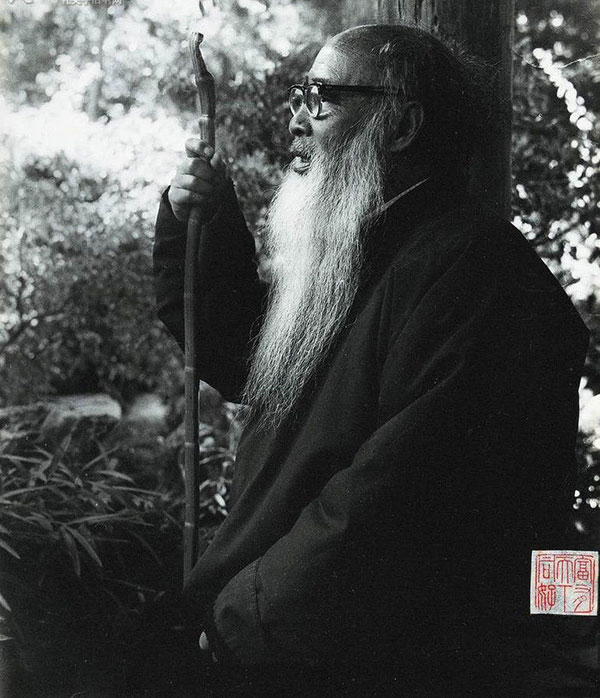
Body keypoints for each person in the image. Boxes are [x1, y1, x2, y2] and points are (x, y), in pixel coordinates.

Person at [153, 24, 590, 696]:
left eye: (322, 99)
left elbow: (390, 503)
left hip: (361, 662)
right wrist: (205, 226)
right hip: (289, 639)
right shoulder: (367, 251)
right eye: (301, 97)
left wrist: (241, 619)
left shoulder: (476, 274)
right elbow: (249, 359)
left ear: (403, 125)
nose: (297, 120)